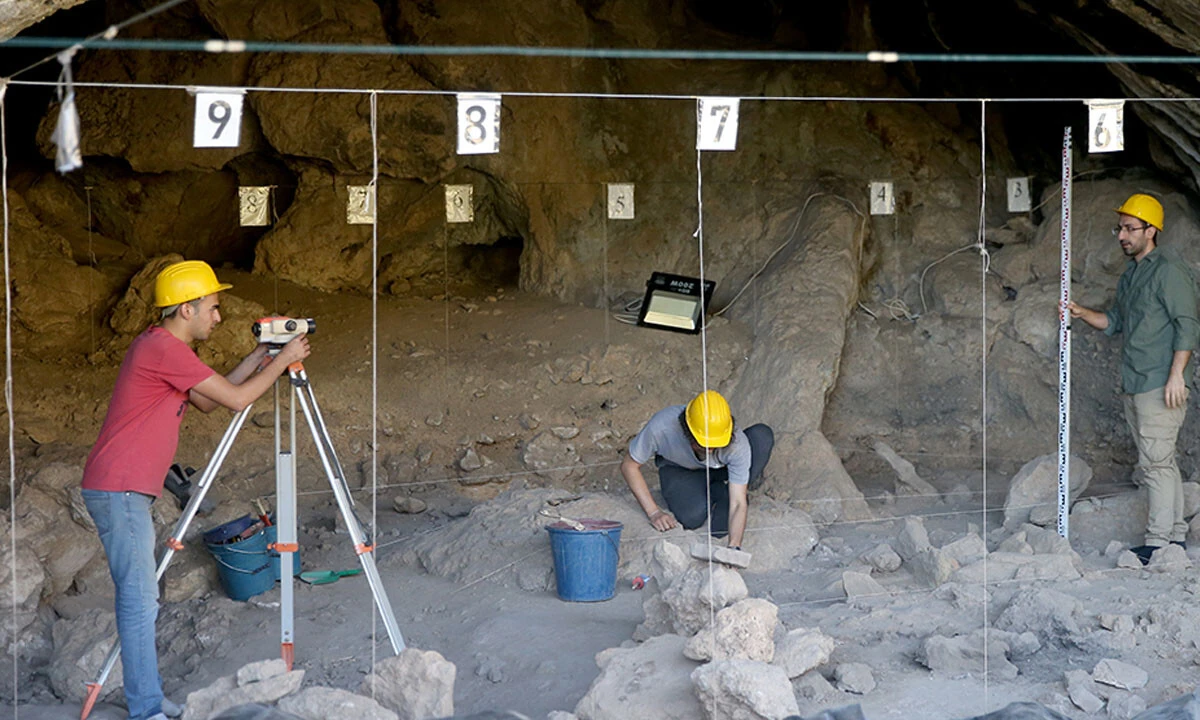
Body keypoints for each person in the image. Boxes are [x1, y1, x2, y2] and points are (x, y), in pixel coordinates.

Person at [81, 260, 310, 720]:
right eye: (213, 307)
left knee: (141, 598)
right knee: (140, 600)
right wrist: (284, 361)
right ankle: (146, 709)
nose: (218, 317)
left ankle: (150, 701)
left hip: (123, 488)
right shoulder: (163, 349)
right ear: (187, 309)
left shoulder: (161, 346)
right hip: (120, 488)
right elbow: (238, 399)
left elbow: (208, 399)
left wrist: (261, 356)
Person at [1066, 193, 1200, 565]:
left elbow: (1187, 325)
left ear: (1151, 230)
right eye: (1120, 229)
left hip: (1160, 382)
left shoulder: (1168, 270)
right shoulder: (1132, 275)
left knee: (1155, 465)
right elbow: (1114, 322)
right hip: (1136, 381)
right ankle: (1174, 536)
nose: (1122, 236)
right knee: (1161, 462)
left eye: (1130, 228)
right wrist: (1081, 312)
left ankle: (1157, 543)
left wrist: (1177, 376)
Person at [620, 390, 774, 550]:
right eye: (704, 445)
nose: (711, 450)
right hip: (681, 469)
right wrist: (654, 513)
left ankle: (729, 488)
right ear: (687, 433)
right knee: (691, 517)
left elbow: (738, 502)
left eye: (716, 444)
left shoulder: (736, 442)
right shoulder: (662, 426)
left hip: (722, 468)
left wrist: (734, 546)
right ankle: (713, 490)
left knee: (761, 437)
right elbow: (629, 465)